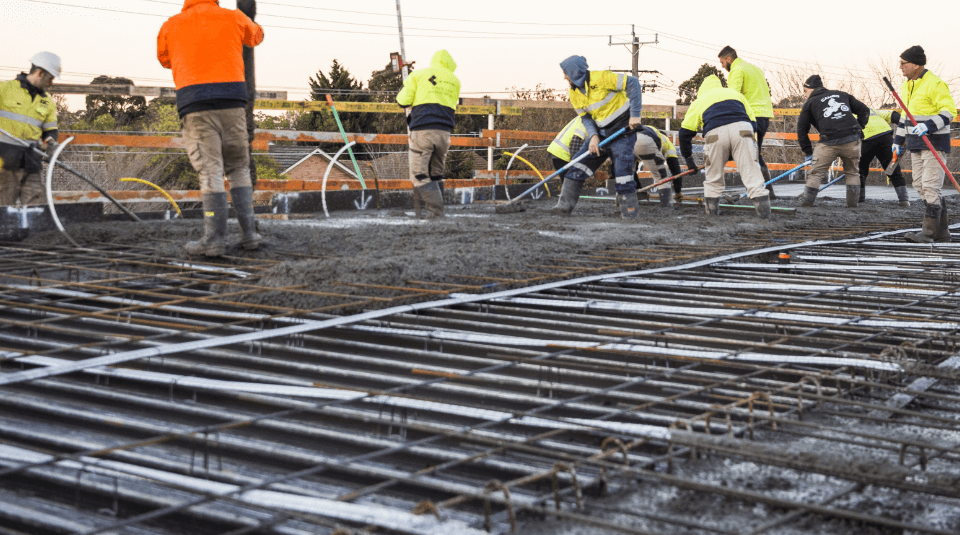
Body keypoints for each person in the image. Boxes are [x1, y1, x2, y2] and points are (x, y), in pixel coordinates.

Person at [157, 0, 264, 256]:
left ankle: (214, 238)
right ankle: (249, 234)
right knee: (239, 167)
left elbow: (165, 59)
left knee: (211, 172)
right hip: (233, 103)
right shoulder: (233, 17)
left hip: (196, 105)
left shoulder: (171, 25)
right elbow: (256, 35)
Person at [552, 55, 643, 219]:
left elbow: (633, 83)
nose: (564, 77)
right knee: (576, 167)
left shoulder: (601, 77)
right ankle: (563, 207)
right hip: (601, 134)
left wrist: (635, 115)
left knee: (623, 174)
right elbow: (586, 118)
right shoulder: (574, 94)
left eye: (566, 72)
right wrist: (593, 136)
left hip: (623, 131)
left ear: (575, 72)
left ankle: (630, 213)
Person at [678, 75, 770, 219]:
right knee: (753, 176)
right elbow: (753, 123)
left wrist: (689, 159)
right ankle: (765, 217)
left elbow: (685, 133)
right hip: (743, 129)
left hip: (715, 134)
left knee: (713, 177)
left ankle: (712, 215)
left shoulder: (700, 100)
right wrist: (740, 149)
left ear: (702, 89)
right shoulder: (736, 94)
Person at [894, 46, 956, 243]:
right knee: (919, 184)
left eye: (904, 63)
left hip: (933, 142)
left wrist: (928, 126)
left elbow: (948, 111)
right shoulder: (907, 86)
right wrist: (898, 141)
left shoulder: (935, 83)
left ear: (916, 64)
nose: (900, 67)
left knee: (930, 186)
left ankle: (928, 233)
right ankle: (943, 232)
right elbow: (905, 117)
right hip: (915, 143)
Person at [396, 50, 460, 219]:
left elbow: (403, 100)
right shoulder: (455, 81)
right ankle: (434, 213)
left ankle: (436, 213)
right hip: (444, 134)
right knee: (436, 174)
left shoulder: (418, 75)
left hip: (423, 131)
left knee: (419, 174)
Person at [796, 75, 870, 208]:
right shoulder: (841, 94)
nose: (804, 95)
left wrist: (808, 152)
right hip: (852, 139)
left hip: (828, 141)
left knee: (816, 173)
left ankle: (807, 204)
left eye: (805, 91)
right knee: (852, 172)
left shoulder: (810, 103)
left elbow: (801, 130)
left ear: (810, 89)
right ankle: (853, 206)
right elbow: (864, 110)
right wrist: (858, 127)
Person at [0, 52, 61, 207]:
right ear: (40, 73)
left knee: (38, 210)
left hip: (32, 163)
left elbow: (50, 129)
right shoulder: (5, 90)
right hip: (5, 165)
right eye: (51, 78)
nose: (52, 83)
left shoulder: (47, 102)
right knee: (3, 211)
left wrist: (50, 140)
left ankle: (35, 232)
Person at [719, 46, 777, 199]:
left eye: (723, 62)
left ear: (729, 59)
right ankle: (768, 191)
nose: (722, 66)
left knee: (750, 155)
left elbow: (733, 97)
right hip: (764, 115)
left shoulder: (736, 71)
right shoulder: (755, 69)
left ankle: (760, 192)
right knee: (755, 153)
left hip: (751, 117)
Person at [859, 108, 909, 206]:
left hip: (865, 139)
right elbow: (892, 115)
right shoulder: (870, 110)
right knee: (892, 168)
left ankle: (858, 199)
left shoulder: (845, 114)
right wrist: (906, 127)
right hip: (885, 136)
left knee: (859, 171)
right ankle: (904, 200)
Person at [634, 125, 685, 207]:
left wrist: (639, 190)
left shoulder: (649, 129)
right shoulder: (666, 141)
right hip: (645, 141)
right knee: (661, 178)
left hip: (626, 140)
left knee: (627, 174)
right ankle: (667, 205)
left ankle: (624, 202)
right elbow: (675, 169)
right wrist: (678, 191)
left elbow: (634, 170)